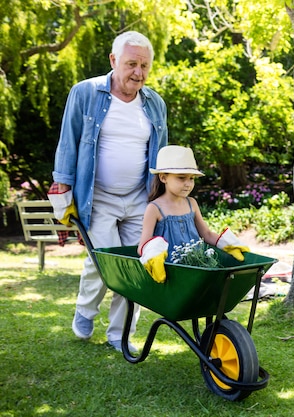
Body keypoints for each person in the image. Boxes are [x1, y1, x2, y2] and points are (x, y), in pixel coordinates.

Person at [52, 31, 168, 353]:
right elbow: (68, 140)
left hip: (138, 197)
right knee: (104, 261)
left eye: (145, 65)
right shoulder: (86, 93)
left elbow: (160, 155)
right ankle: (85, 309)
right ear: (113, 61)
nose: (138, 73)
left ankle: (120, 334)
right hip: (97, 195)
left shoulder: (155, 103)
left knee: (137, 266)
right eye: (131, 64)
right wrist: (63, 188)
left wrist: (163, 196)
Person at [137, 146, 249, 282]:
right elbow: (142, 246)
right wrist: (153, 256)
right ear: (163, 177)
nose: (188, 184)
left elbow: (206, 234)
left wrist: (227, 243)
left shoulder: (191, 203)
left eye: (191, 178)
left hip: (197, 265)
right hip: (170, 271)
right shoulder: (154, 208)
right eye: (181, 178)